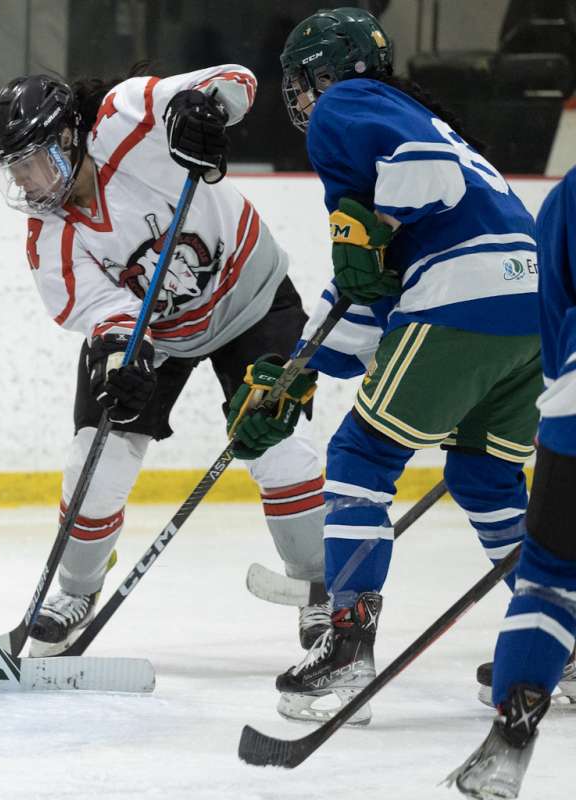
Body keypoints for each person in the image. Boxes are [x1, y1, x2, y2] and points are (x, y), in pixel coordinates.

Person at [0, 63, 328, 656]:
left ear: (69, 137)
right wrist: (125, 363)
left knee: (273, 438)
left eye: (32, 162)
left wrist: (203, 111)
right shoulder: (50, 237)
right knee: (97, 451)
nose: (26, 183)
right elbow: (107, 316)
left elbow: (236, 81)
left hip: (254, 294)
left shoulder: (127, 118)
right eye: (13, 170)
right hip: (161, 331)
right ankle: (77, 591)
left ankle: (325, 590)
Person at [271, 7, 541, 728]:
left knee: (360, 457)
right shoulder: (410, 113)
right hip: (535, 305)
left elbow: (429, 183)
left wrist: (376, 224)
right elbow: (372, 291)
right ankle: (564, 637)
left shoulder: (347, 107)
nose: (300, 100)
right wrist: (304, 365)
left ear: (328, 74)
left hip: (465, 296)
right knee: (485, 477)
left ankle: (348, 646)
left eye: (302, 83)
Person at [444, 167, 576, 800]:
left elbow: (554, 322)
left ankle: (510, 743)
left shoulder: (569, 196)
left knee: (549, 581)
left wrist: (554, 412)